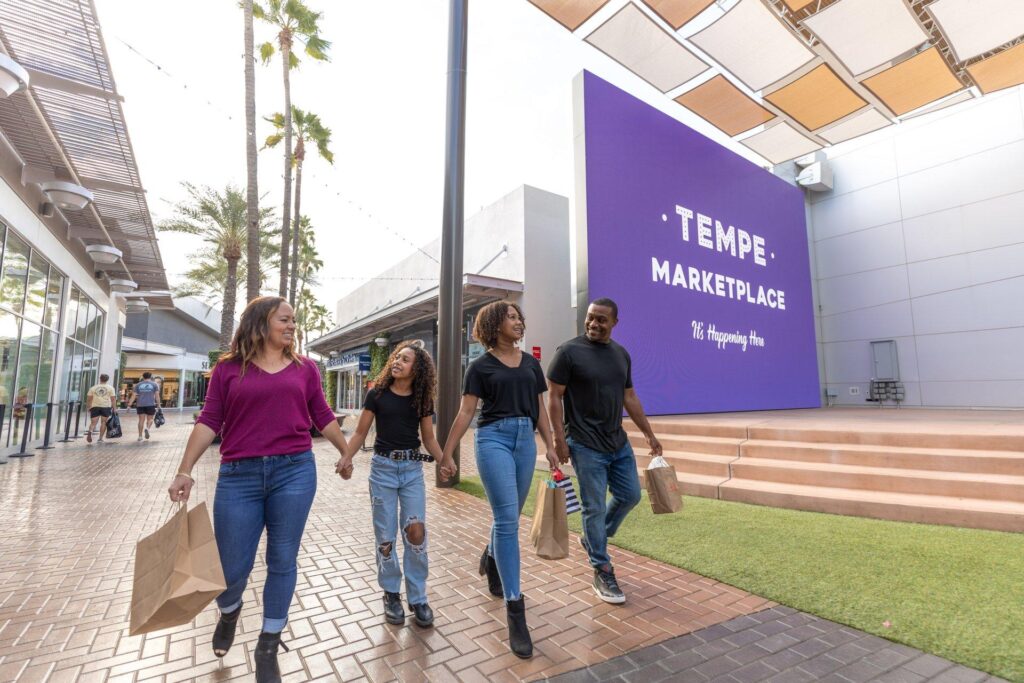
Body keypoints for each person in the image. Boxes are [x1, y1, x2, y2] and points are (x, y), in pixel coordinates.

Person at [166, 296, 349, 683]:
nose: (292, 326)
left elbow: (322, 414)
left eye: (294, 321)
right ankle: (230, 610)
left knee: (283, 560)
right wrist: (185, 469)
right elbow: (210, 419)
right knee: (232, 568)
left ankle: (268, 643)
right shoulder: (229, 370)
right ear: (261, 322)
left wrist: (346, 450)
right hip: (239, 476)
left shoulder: (306, 369)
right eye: (285, 319)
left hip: (295, 472)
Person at [441, 301, 559, 659]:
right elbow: (466, 411)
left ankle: (491, 557)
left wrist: (551, 446)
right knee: (508, 522)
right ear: (494, 324)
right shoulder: (480, 367)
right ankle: (515, 608)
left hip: (525, 440)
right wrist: (447, 453)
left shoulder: (532, 364)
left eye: (519, 317)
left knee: (507, 518)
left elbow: (539, 408)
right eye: (511, 317)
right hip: (492, 438)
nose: (518, 322)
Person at [547, 297, 662, 605]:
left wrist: (649, 434)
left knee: (631, 495)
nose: (594, 324)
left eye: (601, 320)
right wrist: (560, 439)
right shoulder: (568, 352)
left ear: (614, 323)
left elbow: (630, 397)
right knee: (593, 507)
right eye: (590, 318)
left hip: (617, 442)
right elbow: (554, 398)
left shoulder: (620, 355)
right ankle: (601, 567)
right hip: (584, 444)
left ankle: (593, 537)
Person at [335, 341, 456, 629]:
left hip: (412, 471)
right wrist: (346, 458)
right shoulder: (376, 393)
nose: (398, 362)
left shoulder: (422, 398)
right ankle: (391, 594)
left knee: (416, 532)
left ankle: (418, 596)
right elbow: (361, 432)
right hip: (383, 471)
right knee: (386, 537)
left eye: (405, 359)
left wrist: (444, 460)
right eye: (397, 357)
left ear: (418, 369)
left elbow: (428, 438)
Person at [128, 372, 160, 442]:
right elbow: (157, 396)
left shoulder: (138, 385)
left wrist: (129, 405)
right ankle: (147, 428)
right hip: (150, 404)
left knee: (141, 420)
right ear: (150, 377)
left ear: (143, 377)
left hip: (140, 405)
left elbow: (133, 395)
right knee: (150, 419)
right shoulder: (154, 384)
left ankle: (140, 436)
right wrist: (158, 405)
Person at [85, 374, 116, 444]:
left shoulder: (93, 388)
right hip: (106, 407)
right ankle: (100, 438)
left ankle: (90, 431)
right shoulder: (110, 388)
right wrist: (114, 408)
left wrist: (88, 407)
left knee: (93, 422)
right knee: (103, 422)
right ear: (107, 380)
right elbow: (113, 399)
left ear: (100, 379)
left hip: (95, 406)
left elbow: (89, 399)